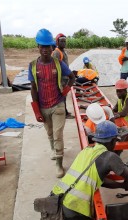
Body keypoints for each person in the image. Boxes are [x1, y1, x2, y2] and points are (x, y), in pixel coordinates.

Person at [46, 120, 128, 220]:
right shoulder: (110, 157)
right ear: (113, 141)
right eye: (115, 141)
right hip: (72, 207)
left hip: (56, 198)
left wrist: (121, 186)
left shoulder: (87, 151)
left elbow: (97, 180)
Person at [28, 28, 75, 178]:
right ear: (38, 47)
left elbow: (72, 76)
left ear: (51, 47)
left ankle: (59, 165)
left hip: (57, 105)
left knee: (57, 134)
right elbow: (33, 87)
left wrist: (65, 91)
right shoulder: (33, 65)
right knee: (49, 133)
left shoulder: (58, 63)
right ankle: (53, 150)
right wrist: (36, 109)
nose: (45, 49)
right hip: (43, 106)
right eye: (42, 46)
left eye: (47, 46)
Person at [52, 33, 74, 119]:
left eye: (64, 41)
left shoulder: (63, 51)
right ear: (57, 42)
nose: (63, 43)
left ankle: (65, 112)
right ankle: (64, 113)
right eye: (61, 41)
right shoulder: (57, 52)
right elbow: (55, 66)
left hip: (65, 78)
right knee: (62, 96)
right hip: (61, 79)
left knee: (64, 96)